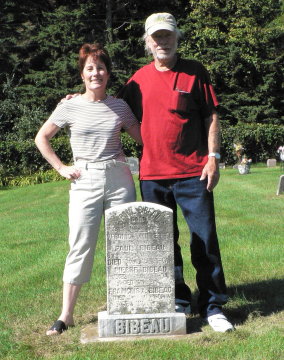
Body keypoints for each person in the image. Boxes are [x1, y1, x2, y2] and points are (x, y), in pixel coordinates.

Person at [117, 13, 234, 332]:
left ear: (176, 37)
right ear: (147, 42)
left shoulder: (195, 71)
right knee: (162, 242)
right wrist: (83, 101)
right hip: (152, 175)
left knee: (204, 238)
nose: (161, 41)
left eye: (167, 35)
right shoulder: (137, 80)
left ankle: (212, 305)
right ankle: (178, 298)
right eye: (155, 37)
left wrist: (213, 157)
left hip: (193, 172)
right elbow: (115, 112)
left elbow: (211, 115)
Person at [35, 43, 142, 335]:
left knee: (125, 243)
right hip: (84, 180)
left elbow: (143, 137)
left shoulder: (120, 106)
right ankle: (66, 315)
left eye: (101, 68)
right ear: (82, 74)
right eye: (90, 68)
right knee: (81, 244)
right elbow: (41, 138)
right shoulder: (68, 105)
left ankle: (127, 304)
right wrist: (61, 168)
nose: (96, 73)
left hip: (119, 178)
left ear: (108, 73)